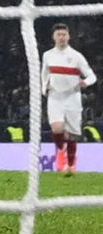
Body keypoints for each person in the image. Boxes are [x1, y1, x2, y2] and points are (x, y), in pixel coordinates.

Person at [42, 23, 95, 176]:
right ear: (54, 37)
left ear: (69, 36)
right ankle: (60, 150)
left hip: (73, 97)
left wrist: (85, 82)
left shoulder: (77, 56)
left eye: (64, 35)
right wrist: (44, 87)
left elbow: (92, 76)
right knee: (57, 129)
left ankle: (71, 166)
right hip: (55, 97)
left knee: (72, 134)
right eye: (58, 35)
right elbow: (44, 73)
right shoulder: (48, 55)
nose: (61, 37)